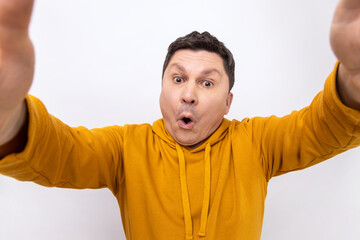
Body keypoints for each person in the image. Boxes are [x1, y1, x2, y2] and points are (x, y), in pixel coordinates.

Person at [0, 0, 359, 240]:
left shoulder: (256, 142)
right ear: (162, 90)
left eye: (206, 82)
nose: (188, 94)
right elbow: (59, 153)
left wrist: (355, 77)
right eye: (177, 79)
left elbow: (324, 127)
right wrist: (7, 113)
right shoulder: (127, 148)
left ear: (228, 102)